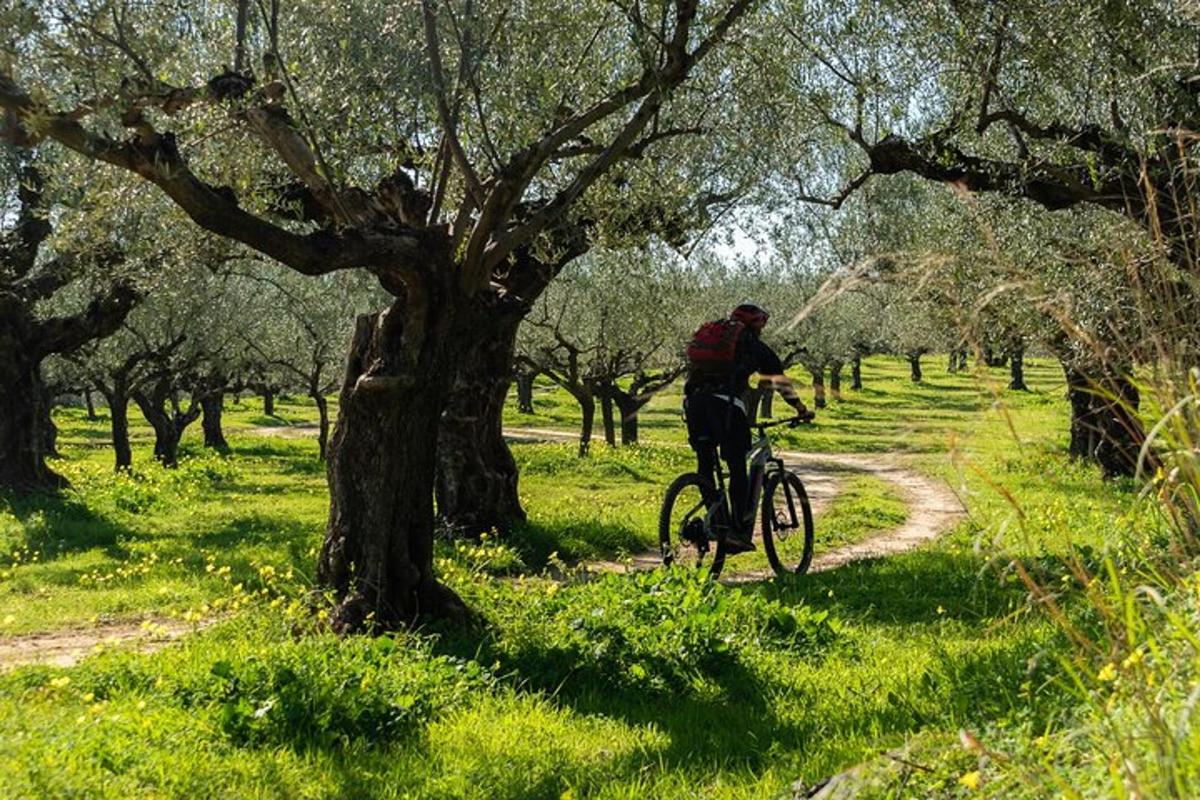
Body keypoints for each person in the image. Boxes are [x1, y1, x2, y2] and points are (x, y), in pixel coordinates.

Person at [683, 303, 811, 553]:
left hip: (694, 404)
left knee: (705, 464)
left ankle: (716, 522)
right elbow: (779, 380)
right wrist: (800, 408)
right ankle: (736, 532)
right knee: (737, 464)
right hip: (726, 406)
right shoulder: (753, 345)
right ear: (758, 326)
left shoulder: (715, 343)